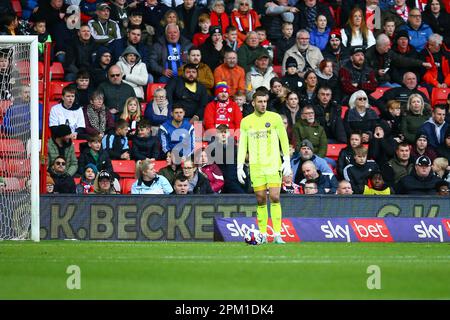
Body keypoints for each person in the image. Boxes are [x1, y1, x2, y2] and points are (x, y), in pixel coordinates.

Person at [237, 90, 292, 244]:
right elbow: (242, 145)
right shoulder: (246, 121)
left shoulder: (274, 118)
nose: (263, 104)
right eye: (260, 101)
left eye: (265, 101)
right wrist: (239, 166)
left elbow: (284, 139)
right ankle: (262, 235)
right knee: (261, 200)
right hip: (256, 167)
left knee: (275, 197)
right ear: (253, 102)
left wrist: (286, 160)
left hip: (274, 164)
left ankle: (277, 235)